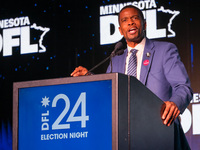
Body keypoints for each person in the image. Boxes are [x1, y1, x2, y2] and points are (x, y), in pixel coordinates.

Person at [71, 5, 193, 149]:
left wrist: (174, 104)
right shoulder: (116, 58)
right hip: (126, 136)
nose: (130, 22)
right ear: (120, 30)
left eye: (135, 18)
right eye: (125, 20)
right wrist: (89, 77)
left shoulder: (165, 50)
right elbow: (110, 91)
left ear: (145, 24)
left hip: (160, 132)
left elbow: (183, 87)